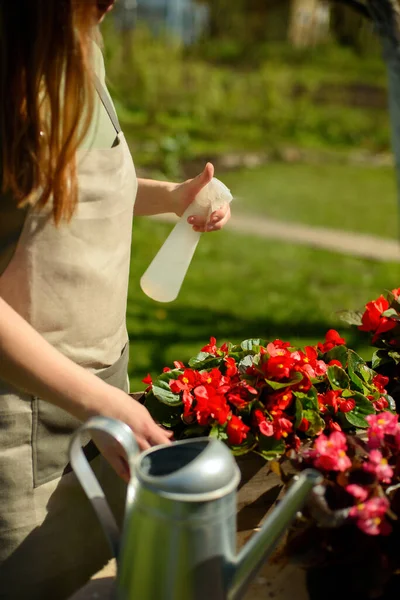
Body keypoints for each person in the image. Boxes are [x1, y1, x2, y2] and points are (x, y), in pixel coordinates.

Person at [0, 1, 231, 598]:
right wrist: (99, 402)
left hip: (101, 393)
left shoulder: (79, 47)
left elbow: (72, 190)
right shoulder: (11, 75)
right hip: (22, 421)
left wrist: (173, 196)